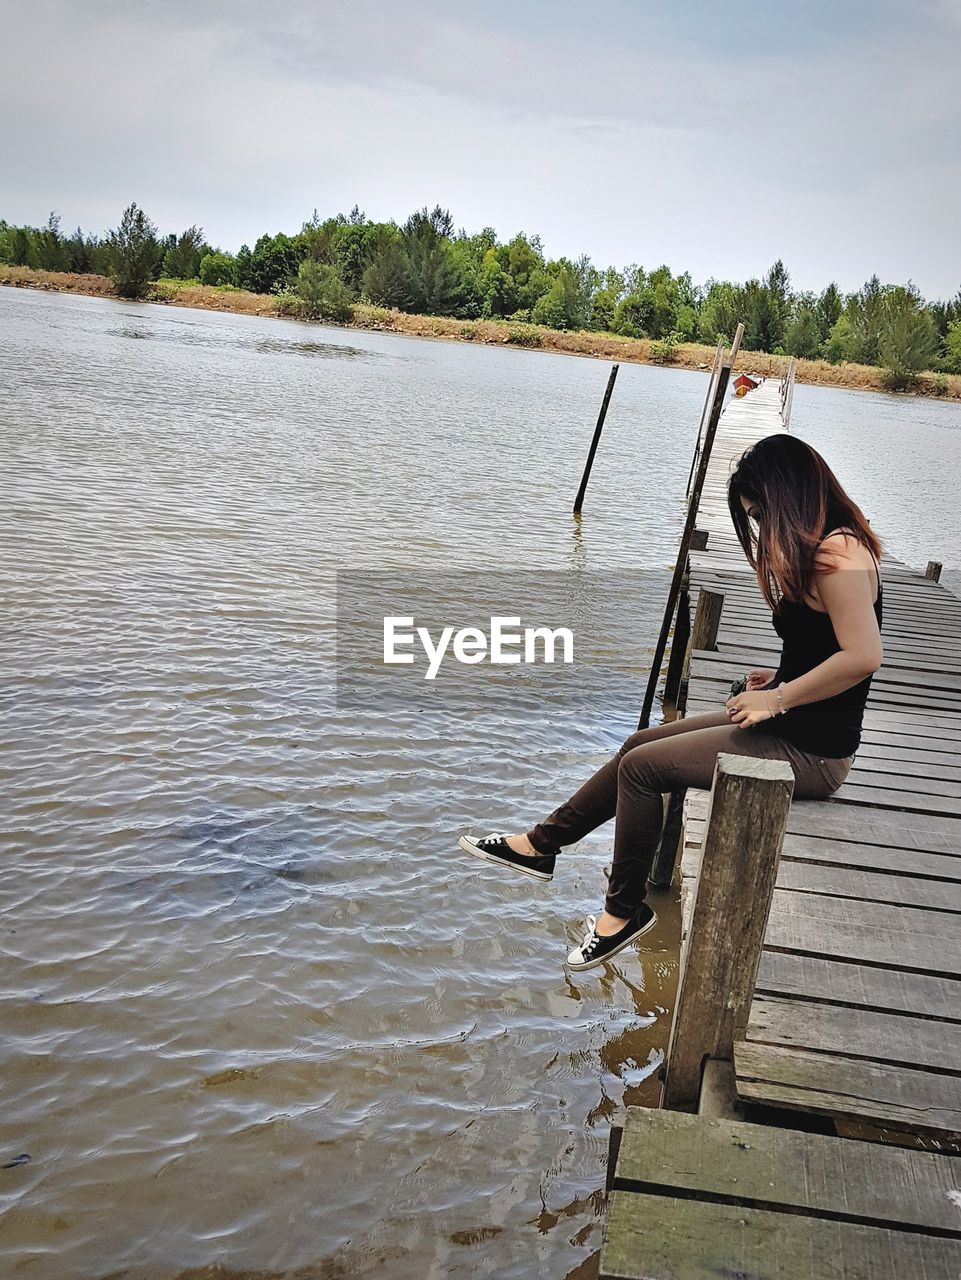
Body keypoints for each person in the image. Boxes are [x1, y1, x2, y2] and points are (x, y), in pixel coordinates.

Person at [459, 434, 884, 972]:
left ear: (789, 495)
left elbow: (865, 655)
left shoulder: (836, 552)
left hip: (813, 753)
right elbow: (828, 642)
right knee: (637, 743)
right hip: (795, 727)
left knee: (641, 770)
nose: (758, 528)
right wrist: (780, 675)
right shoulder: (829, 544)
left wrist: (776, 698)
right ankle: (541, 845)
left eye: (760, 514)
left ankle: (622, 914)